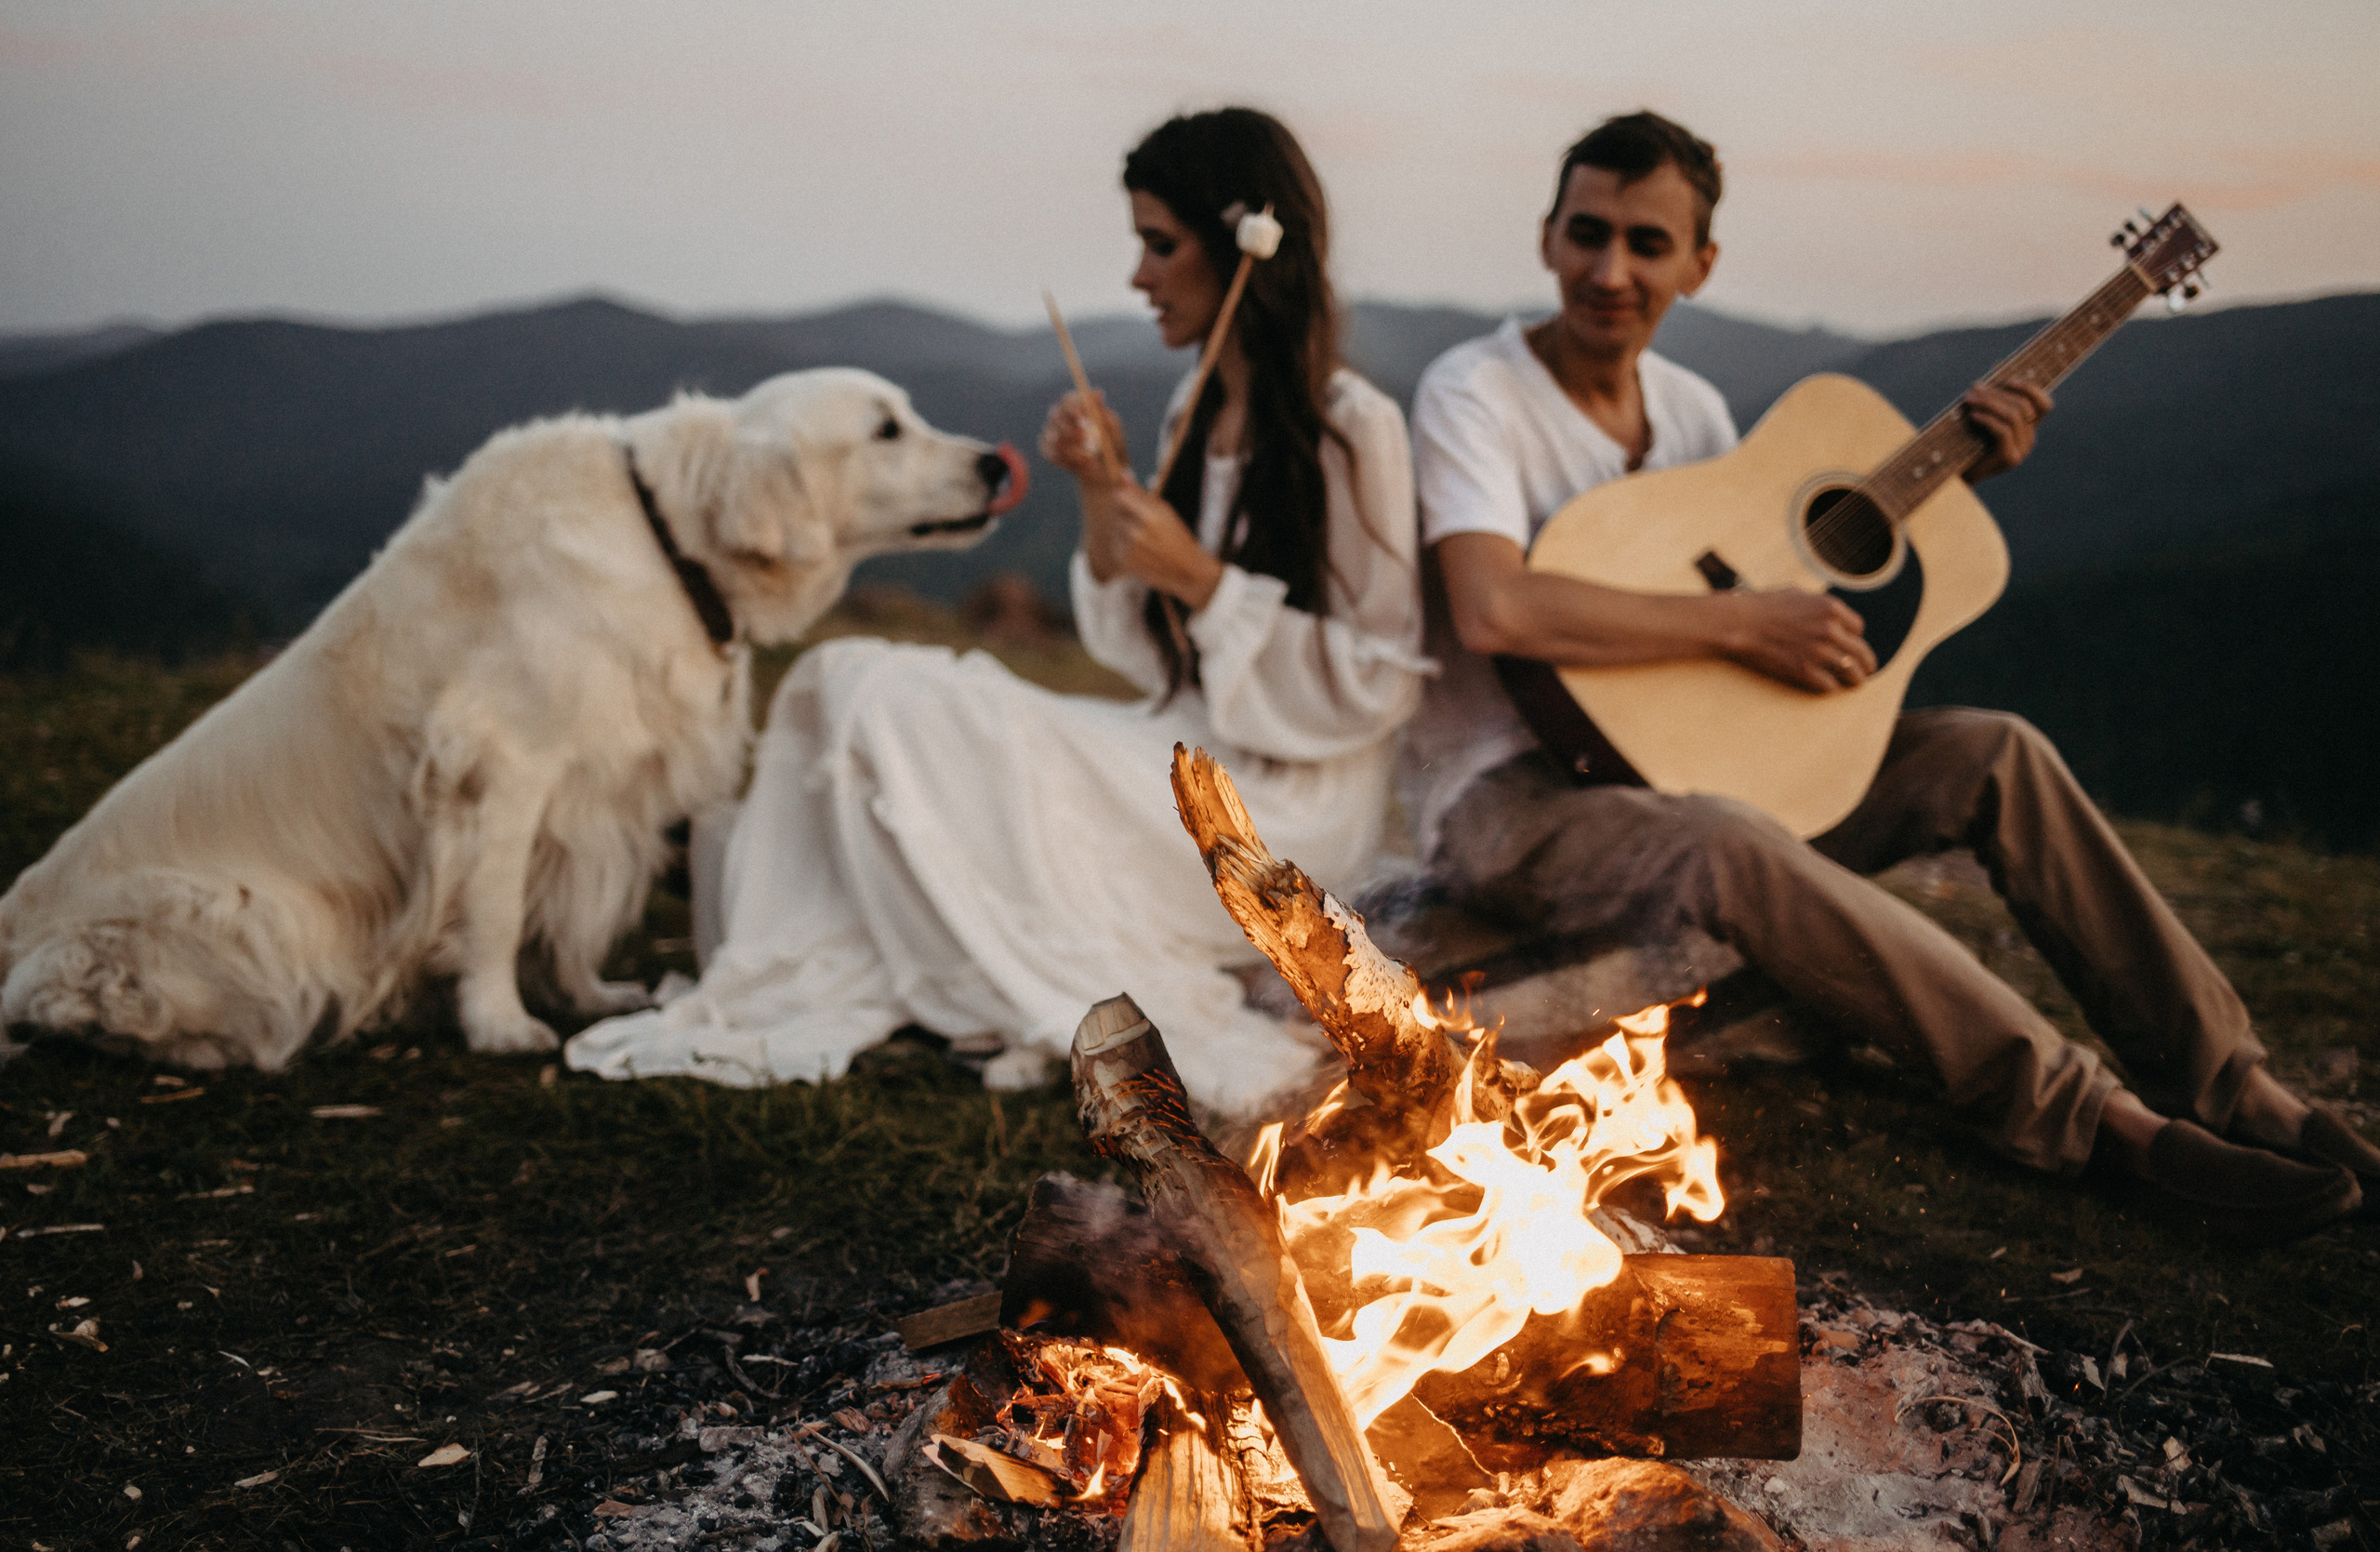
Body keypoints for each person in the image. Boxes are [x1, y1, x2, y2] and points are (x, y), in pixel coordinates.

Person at [1400, 110, 2378, 1239]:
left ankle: (2236, 1089)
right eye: (1588, 233)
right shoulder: (1473, 392)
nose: (1609, 270)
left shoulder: (1691, 411)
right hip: (1511, 804)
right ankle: (2102, 1128)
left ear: (1698, 265)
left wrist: (1952, 484)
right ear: (1547, 238)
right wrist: (1740, 624)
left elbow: (1758, 602)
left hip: (1683, 776)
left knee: (1992, 750)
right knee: (1728, 838)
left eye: (1647, 243)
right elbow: (1496, 605)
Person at [566, 107, 1429, 1115]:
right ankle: (830, 931)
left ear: (1248, 249)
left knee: (894, 707)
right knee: (839, 677)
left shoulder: (1352, 427)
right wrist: (1103, 493)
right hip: (1182, 740)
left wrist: (1203, 580)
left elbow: (1378, 680)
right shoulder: (1195, 407)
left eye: (1160, 244)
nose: (1139, 276)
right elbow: (1144, 646)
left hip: (1281, 808)